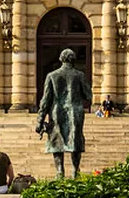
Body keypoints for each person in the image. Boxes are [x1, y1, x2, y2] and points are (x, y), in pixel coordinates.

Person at [37, 48, 92, 179]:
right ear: (73, 60)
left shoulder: (52, 76)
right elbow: (88, 95)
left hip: (57, 112)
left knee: (57, 142)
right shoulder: (79, 75)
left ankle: (60, 172)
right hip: (75, 111)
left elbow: (45, 100)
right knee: (75, 140)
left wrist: (40, 120)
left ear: (61, 59)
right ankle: (75, 171)